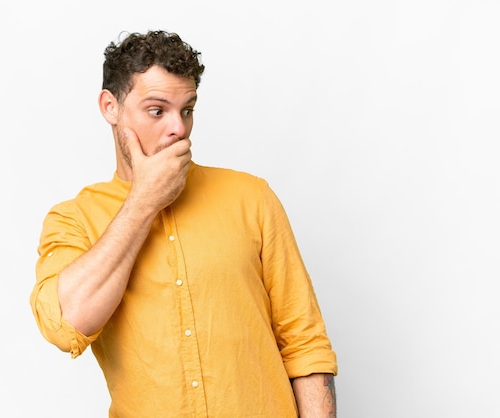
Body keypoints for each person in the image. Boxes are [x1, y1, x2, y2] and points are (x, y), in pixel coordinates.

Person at [30, 29, 338, 418]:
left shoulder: (252, 198)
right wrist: (143, 201)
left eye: (187, 110)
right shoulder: (73, 219)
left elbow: (305, 344)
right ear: (110, 106)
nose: (178, 128)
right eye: (157, 111)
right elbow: (66, 326)